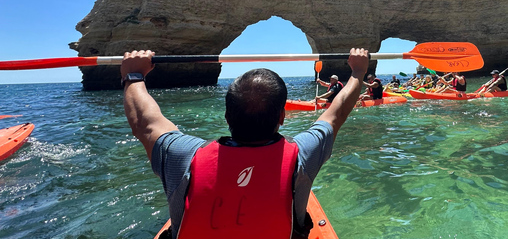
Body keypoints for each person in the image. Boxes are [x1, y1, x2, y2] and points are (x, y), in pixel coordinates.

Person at [121, 48, 369, 239]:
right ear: (282, 117)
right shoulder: (303, 154)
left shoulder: (183, 154)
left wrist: (134, 75)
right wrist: (358, 72)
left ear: (227, 116)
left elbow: (145, 122)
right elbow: (336, 114)